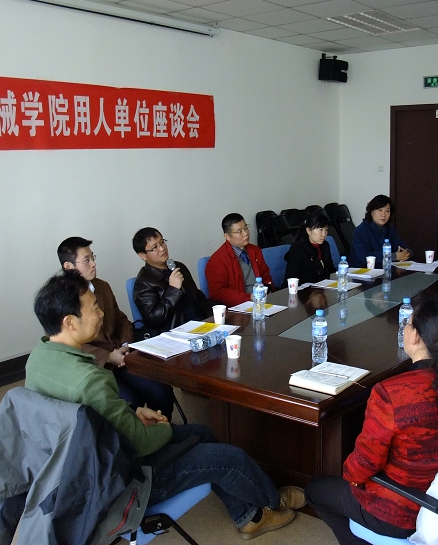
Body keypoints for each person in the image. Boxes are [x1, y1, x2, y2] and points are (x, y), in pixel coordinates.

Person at [25, 271, 305, 539]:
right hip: (123, 481)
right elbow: (142, 444)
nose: (100, 315)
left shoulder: (38, 359)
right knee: (231, 459)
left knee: (202, 433)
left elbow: (88, 413)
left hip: (80, 467)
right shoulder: (89, 379)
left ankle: (250, 516)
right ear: (70, 322)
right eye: (94, 309)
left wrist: (133, 411)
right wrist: (165, 427)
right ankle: (272, 500)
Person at [305, 295, 438, 544]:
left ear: (415, 336)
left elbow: (364, 465)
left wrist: (351, 478)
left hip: (401, 512)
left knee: (315, 490)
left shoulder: (392, 393)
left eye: (408, 324)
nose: (405, 329)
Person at [58, 237, 175, 418]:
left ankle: (161, 426)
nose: (93, 264)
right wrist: (107, 356)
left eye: (93, 257)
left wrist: (125, 344)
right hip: (95, 367)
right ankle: (137, 434)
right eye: (86, 260)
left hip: (122, 356)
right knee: (130, 401)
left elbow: (121, 320)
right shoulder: (61, 299)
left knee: (161, 390)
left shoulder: (102, 286)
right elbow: (64, 343)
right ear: (68, 266)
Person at [132, 227, 212, 336]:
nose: (162, 248)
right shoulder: (143, 283)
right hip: (176, 333)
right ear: (143, 255)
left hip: (201, 325)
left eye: (162, 242)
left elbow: (198, 297)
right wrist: (173, 290)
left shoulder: (179, 267)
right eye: (155, 247)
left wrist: (215, 318)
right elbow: (153, 320)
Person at [206, 213, 274, 307]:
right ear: (227, 237)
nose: (246, 233)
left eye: (246, 228)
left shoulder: (255, 251)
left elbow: (265, 275)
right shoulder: (217, 260)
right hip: (239, 306)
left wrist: (268, 286)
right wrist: (249, 297)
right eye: (239, 231)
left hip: (262, 301)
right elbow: (217, 293)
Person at [349, 195, 410, 268]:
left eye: (387, 211)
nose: (383, 215)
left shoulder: (389, 228)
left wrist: (407, 253)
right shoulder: (361, 231)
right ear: (371, 212)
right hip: (362, 270)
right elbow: (365, 256)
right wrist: (394, 256)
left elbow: (400, 245)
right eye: (380, 210)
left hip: (383, 269)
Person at [283, 209, 337, 287]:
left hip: (322, 288)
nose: (324, 234)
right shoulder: (298, 249)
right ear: (308, 230)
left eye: (326, 230)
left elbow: (330, 270)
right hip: (304, 291)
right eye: (320, 230)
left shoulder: (325, 246)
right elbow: (292, 279)